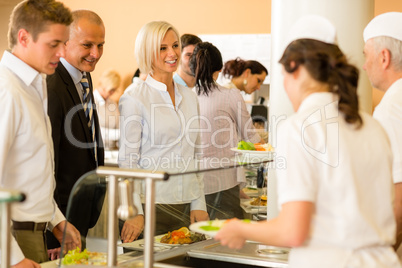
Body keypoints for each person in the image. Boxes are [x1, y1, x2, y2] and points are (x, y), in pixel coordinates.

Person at [215, 15, 401, 268]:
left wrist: (239, 228)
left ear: (295, 68)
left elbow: (293, 230)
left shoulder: (300, 128)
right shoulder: (372, 126)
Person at [0, 0, 81, 266]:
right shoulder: (7, 91)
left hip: (34, 232)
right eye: (53, 44)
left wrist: (56, 220)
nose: (62, 52)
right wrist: (11, 257)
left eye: (64, 43)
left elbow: (32, 169)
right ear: (23, 37)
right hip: (13, 239)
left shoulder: (36, 84)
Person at [119, 21, 209, 238]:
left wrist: (199, 203)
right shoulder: (134, 97)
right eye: (162, 48)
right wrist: (133, 211)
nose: (172, 53)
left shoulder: (189, 96)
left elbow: (194, 154)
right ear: (147, 53)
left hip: (186, 205)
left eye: (175, 45)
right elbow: (127, 161)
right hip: (149, 206)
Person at [46, 9, 106, 256]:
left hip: (82, 206)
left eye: (101, 45)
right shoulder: (52, 83)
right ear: (64, 42)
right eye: (87, 45)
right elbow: (50, 160)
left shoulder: (84, 76)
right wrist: (54, 227)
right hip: (59, 219)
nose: (96, 54)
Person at [189, 41, 265, 219]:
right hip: (223, 182)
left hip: (192, 185)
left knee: (199, 239)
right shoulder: (230, 96)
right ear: (219, 69)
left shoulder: (185, 97)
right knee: (227, 241)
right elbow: (251, 137)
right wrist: (270, 148)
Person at [363, 12, 402, 253]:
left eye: (367, 56)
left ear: (384, 58)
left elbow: (399, 198)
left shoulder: (391, 109)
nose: (365, 65)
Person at [94, 69, 121, 149]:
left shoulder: (113, 104)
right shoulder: (90, 102)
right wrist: (119, 134)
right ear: (104, 86)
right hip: (97, 148)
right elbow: (96, 131)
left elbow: (118, 124)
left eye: (114, 90)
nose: (112, 93)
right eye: (111, 90)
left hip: (112, 149)